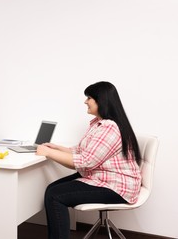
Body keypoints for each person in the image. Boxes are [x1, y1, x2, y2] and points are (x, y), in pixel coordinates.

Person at [36, 81, 141, 239]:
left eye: (89, 97)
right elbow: (80, 151)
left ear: (101, 100)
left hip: (117, 186)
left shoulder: (109, 127)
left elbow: (85, 161)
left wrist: (48, 153)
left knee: (54, 195)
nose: (85, 101)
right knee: (52, 188)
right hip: (100, 176)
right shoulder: (98, 125)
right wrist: (56, 148)